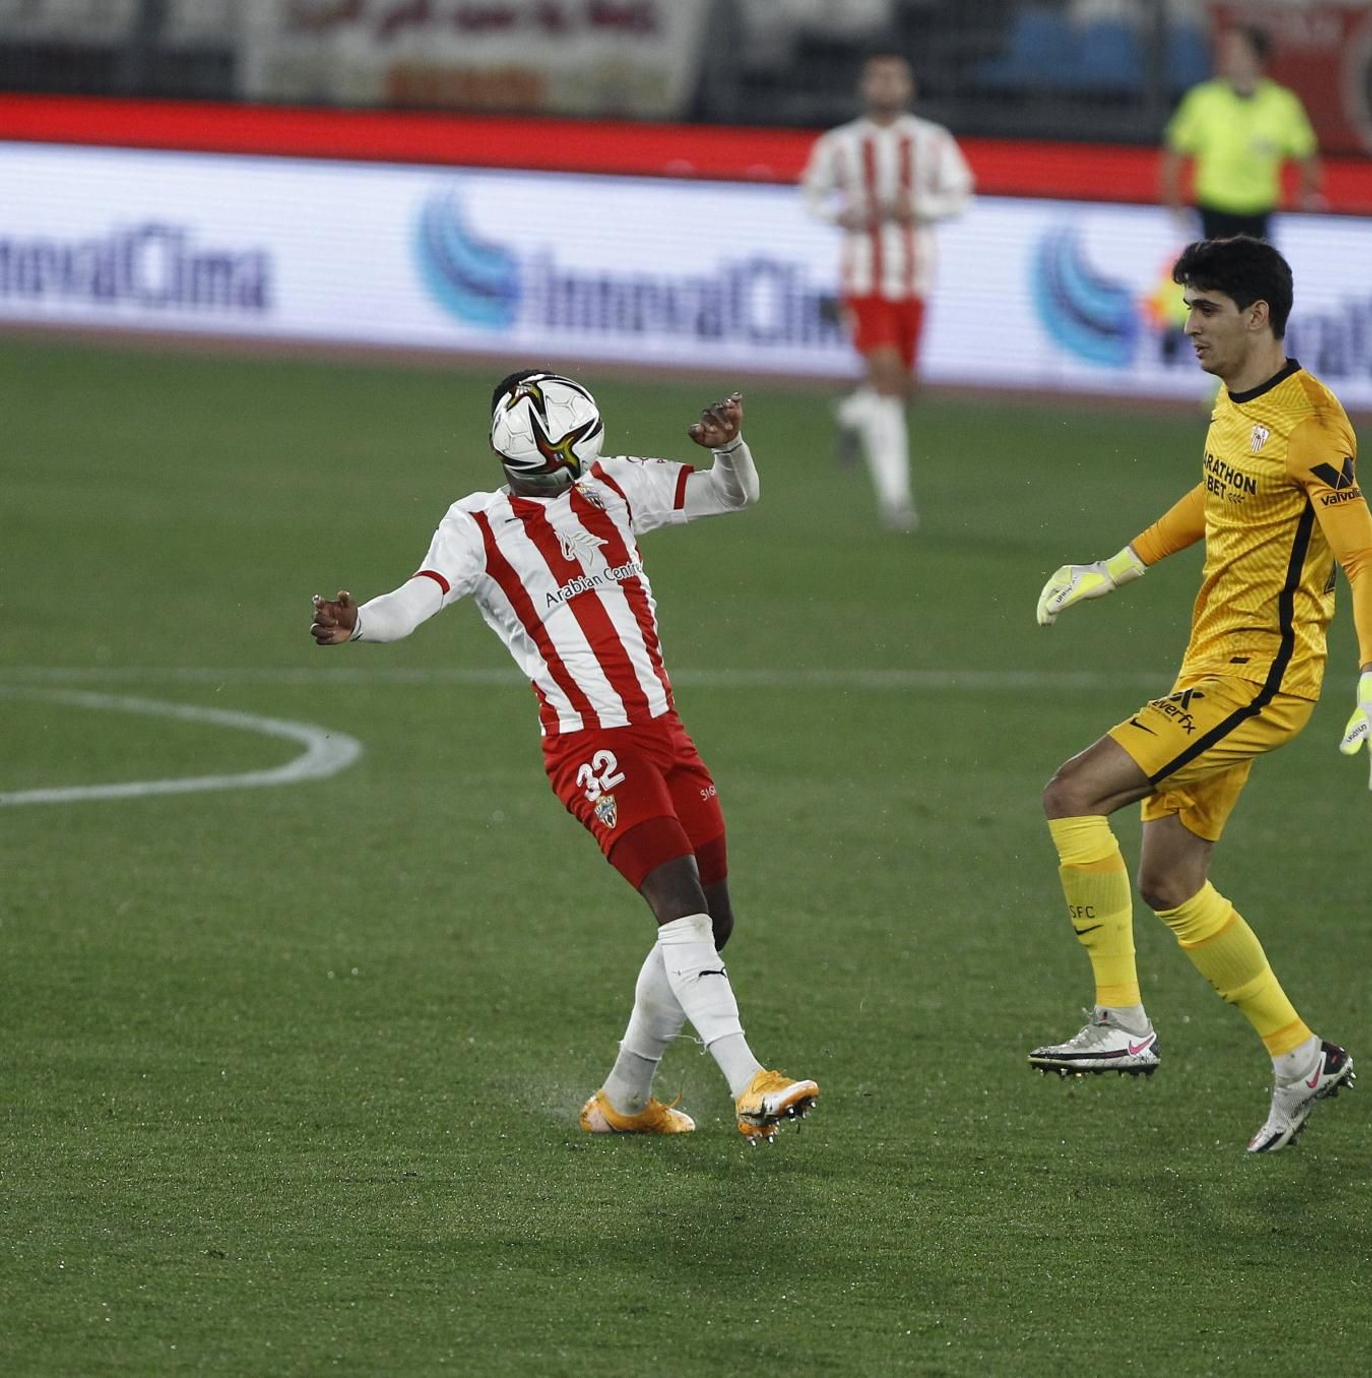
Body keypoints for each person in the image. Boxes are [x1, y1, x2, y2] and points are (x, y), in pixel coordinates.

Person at [309, 374, 817, 1146]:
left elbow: (733, 494)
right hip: (591, 745)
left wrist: (733, 447)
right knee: (680, 907)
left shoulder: (616, 487)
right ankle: (750, 1082)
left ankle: (623, 1100)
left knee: (713, 919)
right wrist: (360, 625)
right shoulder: (477, 524)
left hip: (664, 734)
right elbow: (415, 601)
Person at [1029, 237, 1372, 1153]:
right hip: (1211, 667)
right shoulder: (1234, 405)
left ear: (1257, 317)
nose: (1188, 323)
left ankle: (1121, 1020)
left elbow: (1364, 558)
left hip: (1263, 678)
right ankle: (1299, 1055)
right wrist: (1114, 569)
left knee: (1072, 793)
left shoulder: (1315, 425)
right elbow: (1217, 494)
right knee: (1169, 881)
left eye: (1204, 309)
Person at [801, 51, 973, 532]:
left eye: (895, 77)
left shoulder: (932, 141)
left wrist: (916, 206)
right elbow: (811, 194)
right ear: (864, 86)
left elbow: (961, 195)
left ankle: (854, 413)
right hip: (863, 280)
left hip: (914, 279)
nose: (885, 86)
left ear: (909, 87)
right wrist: (837, 215)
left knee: (901, 389)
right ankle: (897, 501)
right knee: (886, 382)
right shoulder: (840, 144)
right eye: (877, 77)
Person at [1161, 24, 1322, 243]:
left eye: (1237, 50)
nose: (1229, 57)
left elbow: (1307, 155)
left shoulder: (1283, 104)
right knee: (1214, 275)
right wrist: (1174, 204)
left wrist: (1304, 198)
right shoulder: (1203, 100)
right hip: (1214, 208)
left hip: (1259, 210)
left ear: (1258, 58)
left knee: (1255, 275)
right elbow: (1174, 154)